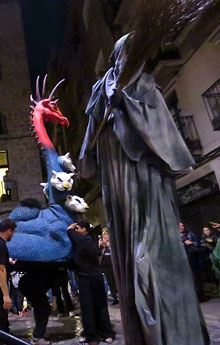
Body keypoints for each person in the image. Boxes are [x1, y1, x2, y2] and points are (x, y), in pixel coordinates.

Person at [79, 33, 209, 345]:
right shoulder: (100, 87)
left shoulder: (146, 85)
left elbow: (159, 129)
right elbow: (90, 134)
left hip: (146, 174)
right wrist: (86, 158)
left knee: (151, 250)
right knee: (131, 246)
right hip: (117, 173)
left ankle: (173, 328)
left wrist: (126, 104)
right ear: (118, 55)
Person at [67, 221, 114, 345]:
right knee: (101, 306)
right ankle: (107, 334)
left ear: (84, 229)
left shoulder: (83, 240)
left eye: (78, 228)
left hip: (85, 278)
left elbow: (69, 232)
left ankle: (92, 338)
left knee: (88, 308)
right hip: (96, 277)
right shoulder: (93, 241)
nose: (76, 230)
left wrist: (72, 227)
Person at [98, 228, 118, 305]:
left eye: (107, 235)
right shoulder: (102, 247)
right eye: (104, 236)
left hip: (114, 266)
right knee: (110, 282)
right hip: (106, 267)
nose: (106, 237)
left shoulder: (113, 245)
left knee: (116, 281)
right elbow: (99, 259)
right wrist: (102, 249)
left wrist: (109, 247)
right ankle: (114, 298)